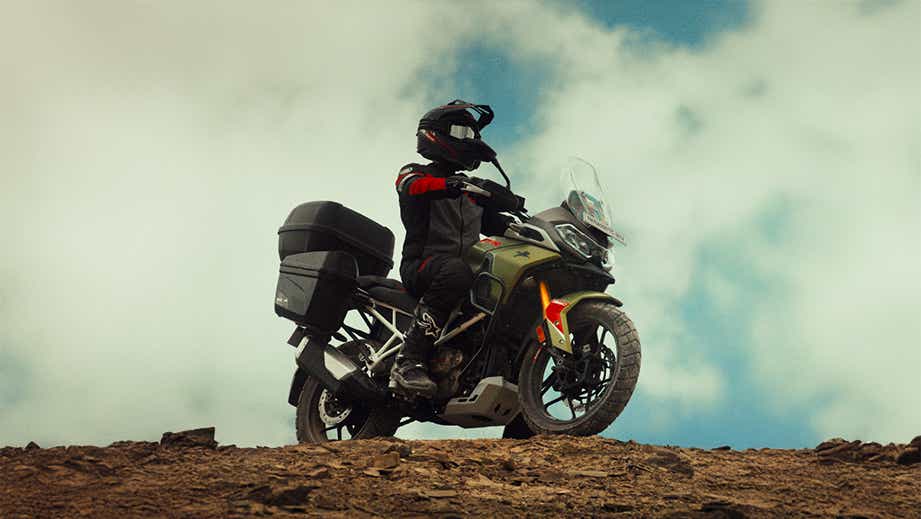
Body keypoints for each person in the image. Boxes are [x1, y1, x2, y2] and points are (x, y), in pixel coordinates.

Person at [390, 100, 512, 397]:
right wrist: (451, 184)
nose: (469, 140)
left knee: (502, 292)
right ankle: (408, 361)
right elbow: (410, 186)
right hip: (422, 266)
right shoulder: (416, 173)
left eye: (472, 135)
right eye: (462, 132)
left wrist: (528, 224)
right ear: (435, 134)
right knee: (457, 271)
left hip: (463, 276)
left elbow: (499, 225)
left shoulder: (471, 193)